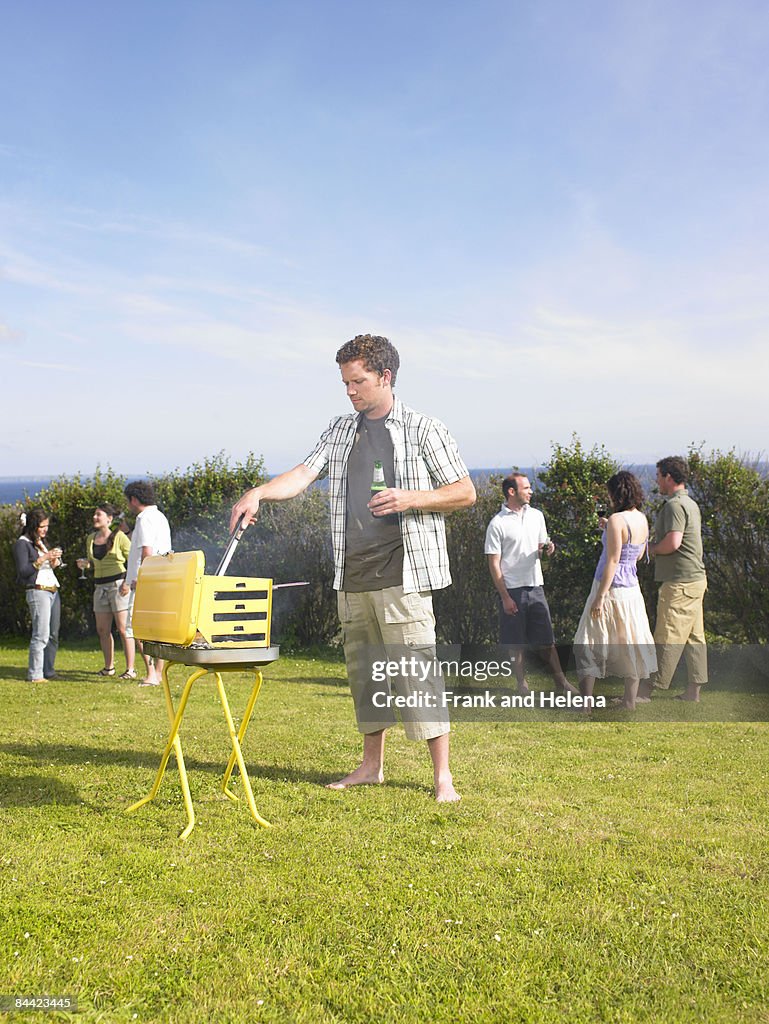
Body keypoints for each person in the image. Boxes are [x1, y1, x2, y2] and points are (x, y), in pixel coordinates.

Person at [230, 334, 475, 803]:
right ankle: (371, 767)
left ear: (386, 377)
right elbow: (304, 473)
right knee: (367, 676)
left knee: (417, 671)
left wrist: (412, 498)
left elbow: (464, 492)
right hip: (352, 575)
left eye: (358, 381)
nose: (350, 391)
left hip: (405, 574)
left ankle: (442, 777)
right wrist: (259, 491)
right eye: (344, 382)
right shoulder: (341, 429)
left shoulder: (424, 429)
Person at [485, 473, 577, 696]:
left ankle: (561, 683)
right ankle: (521, 685)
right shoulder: (497, 523)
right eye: (526, 488)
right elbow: (494, 564)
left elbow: (542, 550)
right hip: (512, 590)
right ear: (511, 492)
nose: (531, 491)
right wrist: (505, 597)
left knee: (547, 641)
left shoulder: (537, 516)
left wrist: (548, 551)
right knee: (516, 644)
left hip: (536, 586)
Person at [572, 472, 657, 710]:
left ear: (616, 493)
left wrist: (600, 597)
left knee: (589, 641)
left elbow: (612, 560)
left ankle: (586, 702)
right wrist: (608, 529)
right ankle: (629, 701)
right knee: (630, 641)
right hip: (631, 589)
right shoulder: (641, 518)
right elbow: (639, 554)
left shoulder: (617, 520)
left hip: (608, 587)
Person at [638, 456, 708, 702]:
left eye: (658, 475)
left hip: (680, 582)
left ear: (668, 476)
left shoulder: (674, 506)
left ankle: (645, 692)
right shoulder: (690, 503)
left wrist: (649, 548)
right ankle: (693, 692)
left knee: (667, 635)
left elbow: (673, 543)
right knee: (693, 637)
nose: (657, 480)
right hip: (695, 580)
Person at [76, 503, 136, 679]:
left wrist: (127, 583)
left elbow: (132, 560)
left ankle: (130, 669)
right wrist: (85, 565)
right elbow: (92, 561)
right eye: (94, 515)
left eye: (98, 515)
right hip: (99, 587)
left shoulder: (119, 537)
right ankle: (109, 667)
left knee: (124, 629)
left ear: (109, 519)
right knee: (102, 629)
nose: (95, 518)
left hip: (118, 587)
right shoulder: (91, 538)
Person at [123, 480, 172, 687]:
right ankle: (158, 673)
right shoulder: (160, 517)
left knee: (138, 628)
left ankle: (151, 674)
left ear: (134, 499)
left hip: (146, 582)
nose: (128, 506)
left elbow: (146, 552)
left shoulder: (143, 518)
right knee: (158, 629)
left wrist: (141, 579)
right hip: (163, 578)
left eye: (128, 501)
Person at [13, 507, 62, 682]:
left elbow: (52, 567)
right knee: (41, 634)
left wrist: (54, 559)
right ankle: (35, 674)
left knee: (53, 634)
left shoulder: (41, 542)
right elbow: (23, 571)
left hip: (52, 589)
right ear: (33, 525)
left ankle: (49, 670)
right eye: (42, 526)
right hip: (37, 590)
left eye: (46, 526)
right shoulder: (22, 543)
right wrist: (42, 559)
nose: (45, 530)